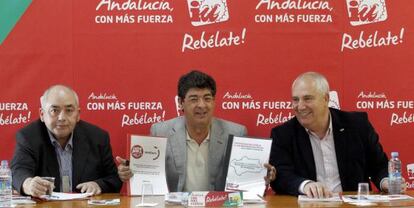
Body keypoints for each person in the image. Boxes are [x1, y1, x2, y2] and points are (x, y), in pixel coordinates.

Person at [117, 70, 276, 192]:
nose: (202, 105)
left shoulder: (236, 133)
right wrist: (131, 172)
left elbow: (244, 182)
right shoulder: (161, 131)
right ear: (181, 102)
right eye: (194, 99)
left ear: (214, 102)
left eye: (207, 98)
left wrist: (260, 177)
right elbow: (148, 176)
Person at [269, 71, 402, 198]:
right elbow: (282, 176)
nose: (300, 106)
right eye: (295, 100)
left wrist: (386, 182)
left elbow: (379, 165)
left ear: (326, 98)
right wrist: (305, 185)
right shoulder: (283, 134)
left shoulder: (357, 125)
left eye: (307, 99)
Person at [11, 85, 122, 197]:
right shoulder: (28, 137)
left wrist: (98, 185)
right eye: (54, 110)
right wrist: (28, 184)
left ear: (78, 114)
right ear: (42, 114)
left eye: (69, 110)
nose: (62, 117)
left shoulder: (97, 137)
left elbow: (113, 178)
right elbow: (18, 171)